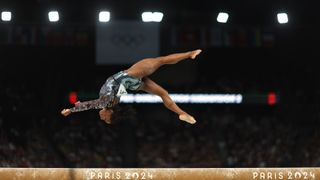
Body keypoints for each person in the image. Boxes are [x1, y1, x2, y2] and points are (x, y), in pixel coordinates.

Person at [61, 49, 202, 124]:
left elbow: (93, 103)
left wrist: (79, 105)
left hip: (132, 84)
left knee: (163, 94)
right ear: (110, 113)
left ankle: (182, 113)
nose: (101, 118)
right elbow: (92, 105)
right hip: (130, 76)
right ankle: (190, 54)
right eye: (105, 119)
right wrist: (72, 110)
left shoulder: (110, 102)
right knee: (161, 60)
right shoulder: (106, 103)